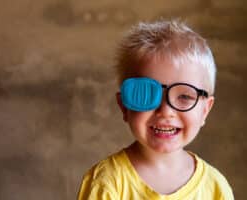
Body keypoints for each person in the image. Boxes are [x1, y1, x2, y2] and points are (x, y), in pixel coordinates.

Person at [77, 20, 234, 199]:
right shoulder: (107, 182)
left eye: (184, 97)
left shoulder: (215, 188)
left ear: (205, 110)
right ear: (124, 106)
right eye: (146, 94)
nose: (166, 111)